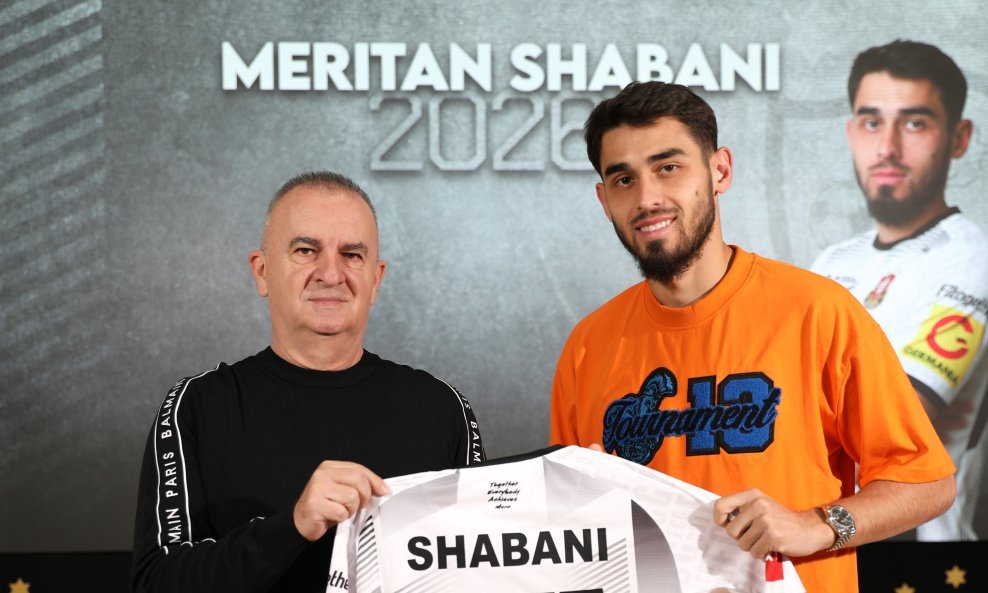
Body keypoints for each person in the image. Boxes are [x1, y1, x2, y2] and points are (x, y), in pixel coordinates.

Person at [549, 81, 955, 593]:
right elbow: (568, 527)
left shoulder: (816, 312)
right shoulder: (588, 346)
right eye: (624, 179)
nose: (647, 197)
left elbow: (927, 481)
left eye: (668, 167)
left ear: (720, 170)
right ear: (604, 199)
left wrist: (817, 525)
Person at [130, 171, 486, 593]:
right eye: (305, 250)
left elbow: (485, 572)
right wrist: (294, 526)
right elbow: (156, 583)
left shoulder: (442, 410)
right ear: (262, 272)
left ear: (376, 279)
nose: (331, 274)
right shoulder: (197, 408)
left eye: (352, 255)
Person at [811, 40, 988, 541]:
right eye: (871, 122)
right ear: (851, 134)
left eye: (914, 123)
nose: (887, 147)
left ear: (958, 138)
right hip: (828, 539)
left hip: (921, 550)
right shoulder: (833, 261)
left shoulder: (973, 258)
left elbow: (896, 423)